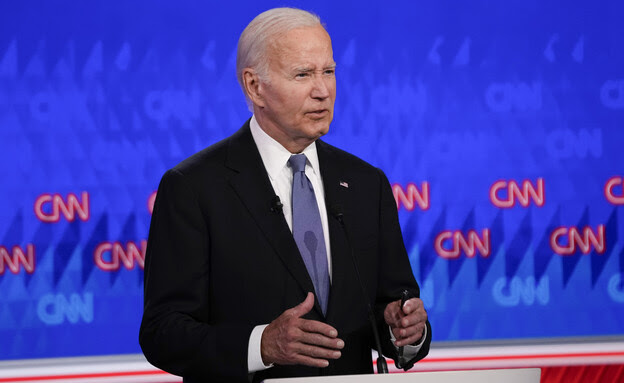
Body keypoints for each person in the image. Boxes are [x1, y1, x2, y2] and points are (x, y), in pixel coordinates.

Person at [139, 7, 431, 382]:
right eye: (303, 74)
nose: (322, 90)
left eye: (329, 71)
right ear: (254, 86)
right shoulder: (194, 187)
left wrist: (404, 331)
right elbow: (162, 332)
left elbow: (391, 308)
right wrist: (260, 345)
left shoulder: (365, 182)